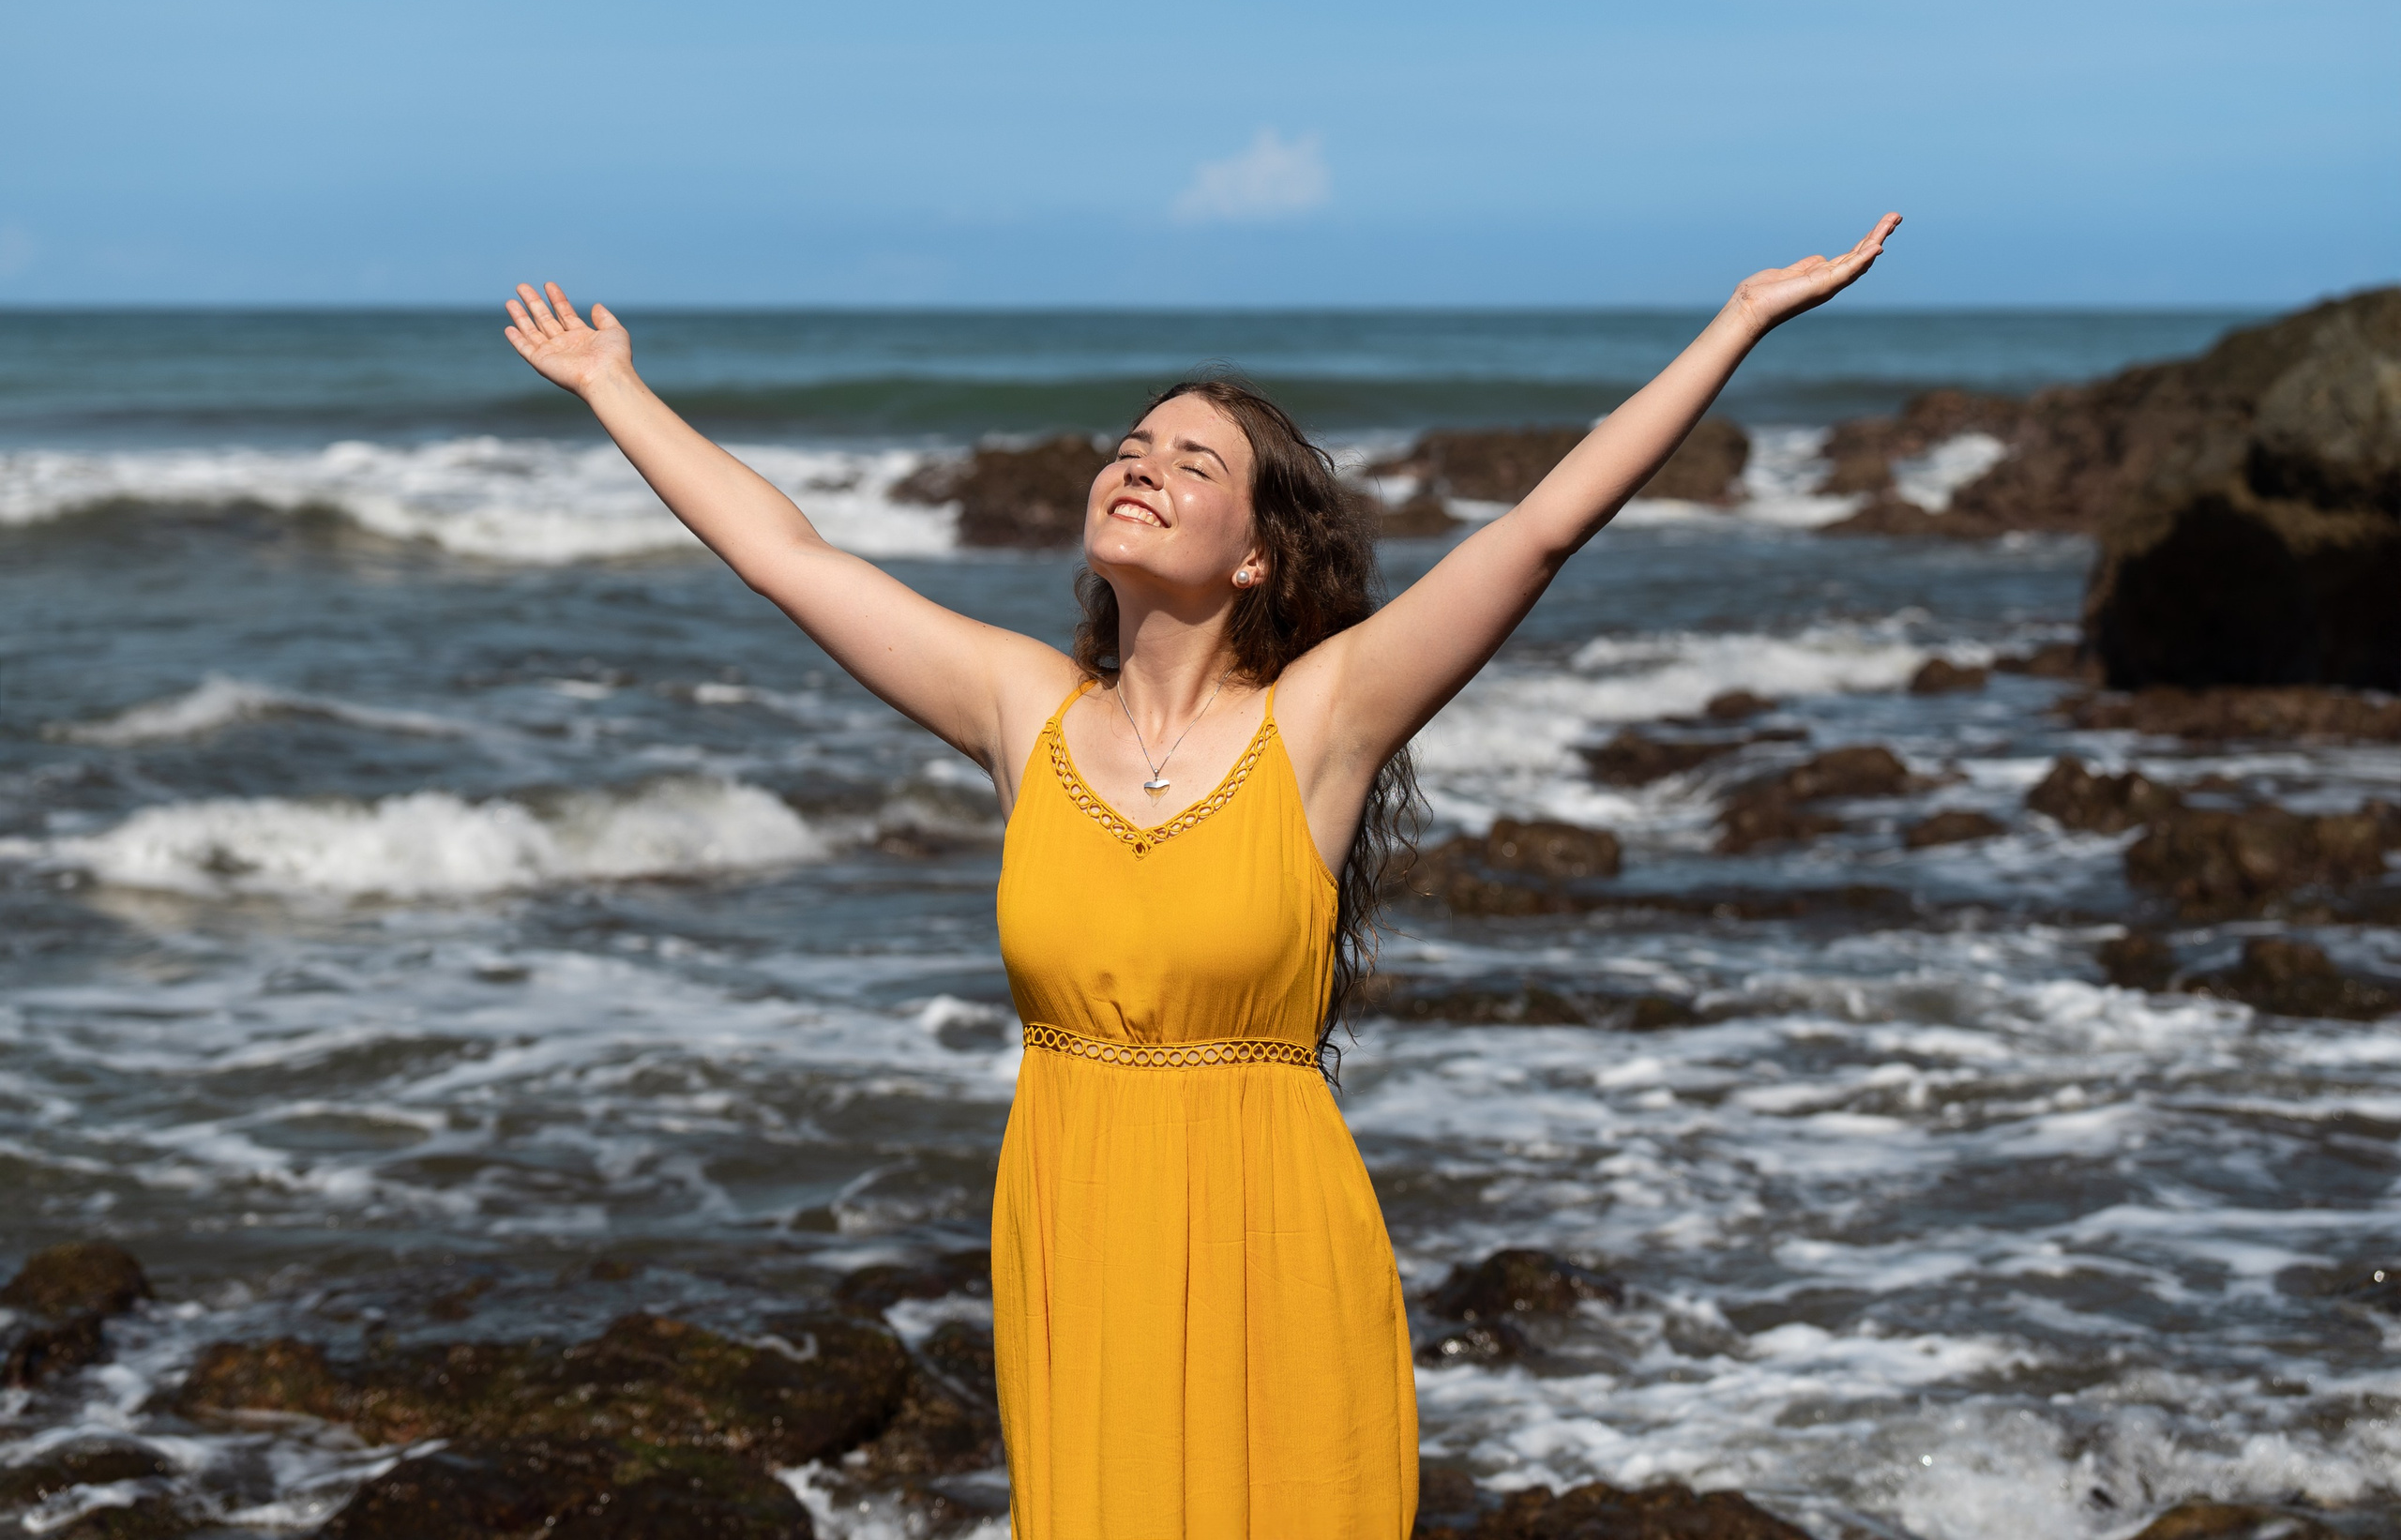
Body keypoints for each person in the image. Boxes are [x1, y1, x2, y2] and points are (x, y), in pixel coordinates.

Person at [501, 210, 1899, 1538]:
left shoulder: (1322, 723)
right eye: (1132, 444)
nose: (1142, 463)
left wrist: (1738, 322)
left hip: (1270, 1232)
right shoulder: (1021, 709)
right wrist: (612, 385)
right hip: (1075, 1229)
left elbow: (1536, 530)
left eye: (1193, 462)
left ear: (1256, 557)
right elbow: (785, 557)